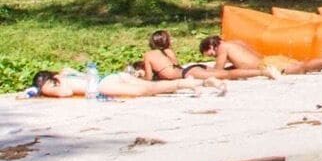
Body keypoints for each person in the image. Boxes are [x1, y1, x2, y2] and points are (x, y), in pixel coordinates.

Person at [31, 67, 198, 99]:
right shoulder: (65, 73)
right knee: (146, 87)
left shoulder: (52, 84)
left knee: (145, 91)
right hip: (109, 76)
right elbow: (67, 69)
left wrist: (42, 92)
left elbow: (65, 93)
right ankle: (183, 83)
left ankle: (182, 84)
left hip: (102, 86)